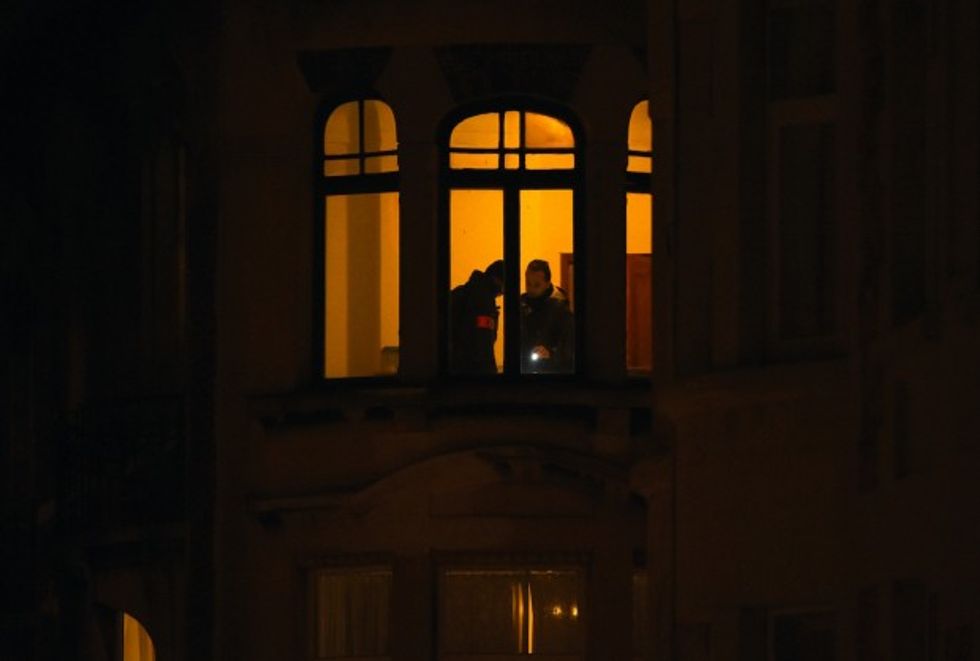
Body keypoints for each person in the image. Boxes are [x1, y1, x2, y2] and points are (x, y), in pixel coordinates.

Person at [450, 260, 504, 374]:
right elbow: (483, 343)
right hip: (470, 370)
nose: (502, 294)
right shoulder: (484, 303)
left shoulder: (461, 292)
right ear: (497, 281)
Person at [520, 259, 574, 373]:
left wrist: (551, 353)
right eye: (528, 283)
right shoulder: (522, 304)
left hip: (551, 371)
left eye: (537, 285)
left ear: (547, 283)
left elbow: (569, 346)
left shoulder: (561, 309)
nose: (531, 289)